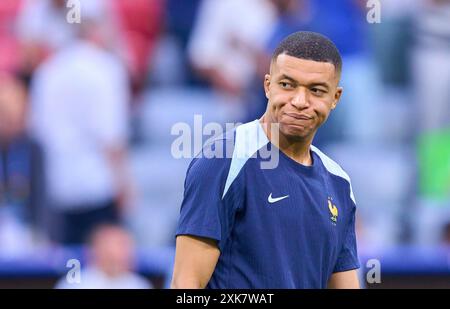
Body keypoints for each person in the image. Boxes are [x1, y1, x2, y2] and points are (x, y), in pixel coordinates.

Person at [171, 31, 360, 289]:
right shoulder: (225, 160)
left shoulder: (340, 183)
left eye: (316, 90)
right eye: (287, 85)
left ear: (335, 98)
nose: (299, 101)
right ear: (267, 86)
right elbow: (186, 285)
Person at [55, 224, 152, 289]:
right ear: (97, 250)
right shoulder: (74, 284)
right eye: (119, 245)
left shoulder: (139, 284)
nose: (126, 252)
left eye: (127, 245)